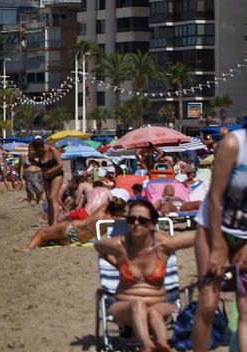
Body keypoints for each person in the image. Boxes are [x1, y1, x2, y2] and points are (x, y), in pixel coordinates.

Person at [95, 200, 194, 352]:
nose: (136, 223)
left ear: (152, 223)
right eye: (131, 219)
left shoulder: (163, 245)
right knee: (138, 304)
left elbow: (193, 238)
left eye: (142, 220)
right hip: (125, 308)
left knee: (153, 312)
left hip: (159, 306)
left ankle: (162, 343)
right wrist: (117, 263)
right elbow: (98, 245)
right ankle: (147, 344)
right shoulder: (120, 245)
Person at [193, 126, 247, 352]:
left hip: (244, 235)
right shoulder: (234, 144)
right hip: (212, 229)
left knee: (245, 308)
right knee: (208, 304)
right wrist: (218, 245)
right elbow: (215, 197)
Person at [18, 197, 126, 251]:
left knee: (41, 232)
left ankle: (28, 248)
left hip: (71, 228)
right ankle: (30, 246)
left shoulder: (102, 208)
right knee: (49, 239)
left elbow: (110, 202)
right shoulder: (110, 221)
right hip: (77, 239)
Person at [29, 137, 64, 225]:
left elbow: (60, 164)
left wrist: (50, 171)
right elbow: (30, 158)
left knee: (53, 197)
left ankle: (55, 222)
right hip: (46, 177)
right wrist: (37, 164)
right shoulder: (38, 153)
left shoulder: (51, 150)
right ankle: (50, 221)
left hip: (56, 175)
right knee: (48, 199)